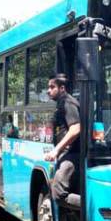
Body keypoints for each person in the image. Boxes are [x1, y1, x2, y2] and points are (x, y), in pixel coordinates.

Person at [44, 74, 81, 208]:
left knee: (59, 194)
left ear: (62, 88)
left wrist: (56, 150)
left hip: (72, 155)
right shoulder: (61, 103)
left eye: (52, 87)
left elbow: (76, 129)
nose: (48, 90)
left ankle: (92, 206)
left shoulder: (68, 102)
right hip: (67, 154)